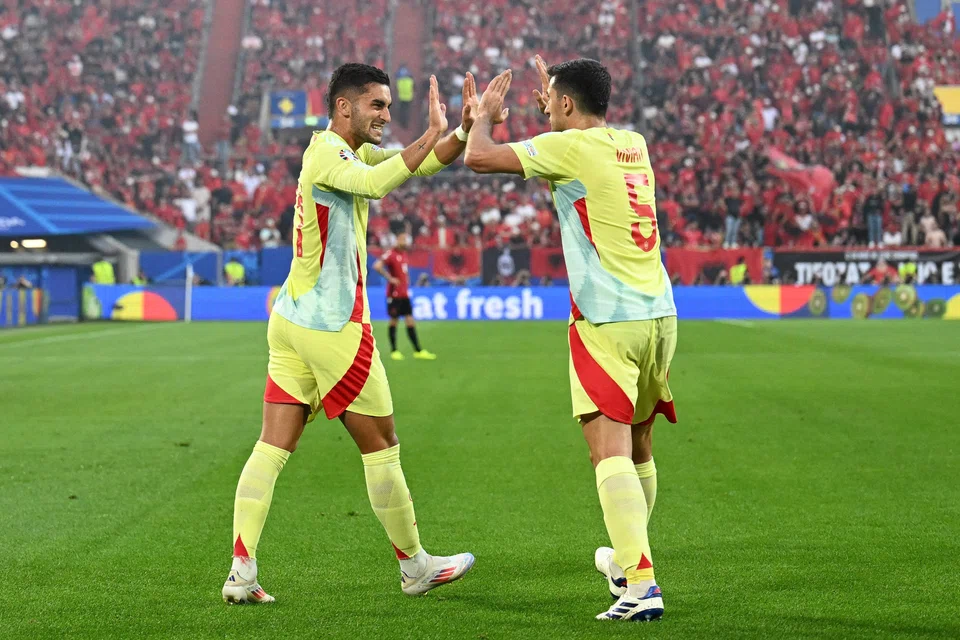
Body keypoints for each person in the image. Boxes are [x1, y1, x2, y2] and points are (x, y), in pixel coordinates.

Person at [222, 63, 500, 605]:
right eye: (377, 105)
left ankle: (242, 569)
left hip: (293, 322)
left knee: (273, 444)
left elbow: (416, 168)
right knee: (382, 444)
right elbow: (378, 183)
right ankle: (415, 565)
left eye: (389, 107)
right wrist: (431, 128)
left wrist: (462, 131)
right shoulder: (329, 153)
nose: (385, 115)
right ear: (344, 106)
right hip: (334, 326)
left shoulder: (341, 152)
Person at [464, 57, 676, 622]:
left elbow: (477, 156)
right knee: (638, 447)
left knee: (607, 451)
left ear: (563, 105)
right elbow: (574, 135)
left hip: (606, 320)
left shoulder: (569, 149)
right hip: (659, 315)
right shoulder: (633, 142)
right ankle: (628, 564)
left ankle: (642, 586)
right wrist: (555, 108)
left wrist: (484, 116)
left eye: (552, 99)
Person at [372, 232, 437, 360]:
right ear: (397, 241)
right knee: (394, 320)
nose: (404, 242)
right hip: (394, 294)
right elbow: (377, 266)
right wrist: (390, 278)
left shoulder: (403, 255)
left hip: (404, 294)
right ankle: (394, 350)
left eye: (405, 240)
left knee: (410, 321)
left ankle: (418, 350)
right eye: (402, 240)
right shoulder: (391, 254)